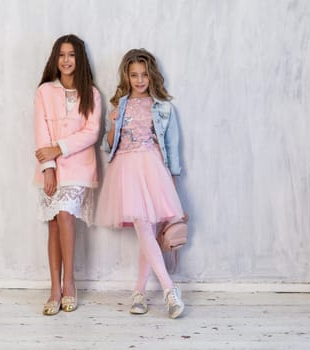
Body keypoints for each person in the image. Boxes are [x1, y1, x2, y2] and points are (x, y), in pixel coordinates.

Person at [96, 48, 187, 319]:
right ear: (126, 76)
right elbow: (108, 145)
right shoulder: (119, 106)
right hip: (125, 171)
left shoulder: (162, 107)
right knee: (144, 228)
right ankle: (169, 290)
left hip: (152, 170)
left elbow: (171, 146)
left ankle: (139, 293)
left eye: (144, 75)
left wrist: (171, 183)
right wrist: (112, 124)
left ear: (151, 76)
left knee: (147, 232)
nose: (139, 80)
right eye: (134, 75)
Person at [33, 34, 101, 316]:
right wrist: (48, 168)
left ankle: (69, 283)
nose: (66, 60)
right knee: (53, 224)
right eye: (61, 55)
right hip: (52, 169)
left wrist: (57, 149)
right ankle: (54, 289)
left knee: (65, 216)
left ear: (79, 58)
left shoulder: (91, 93)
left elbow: (92, 132)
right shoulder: (44, 92)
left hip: (79, 166)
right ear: (55, 58)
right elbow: (41, 133)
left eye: (71, 55)